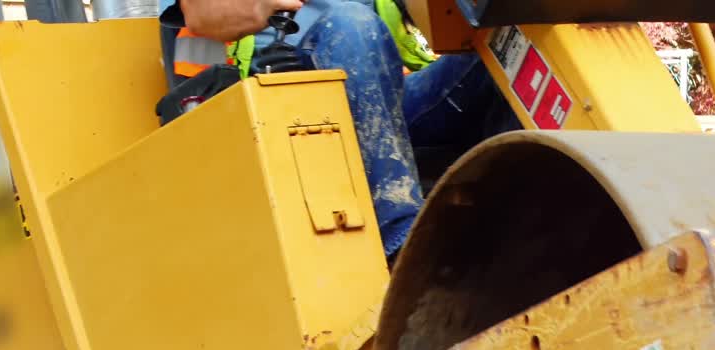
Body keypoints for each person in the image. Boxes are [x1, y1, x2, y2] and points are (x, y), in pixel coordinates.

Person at [157, 0, 519, 257]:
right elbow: (202, 13)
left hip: (388, 107)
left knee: (513, 28)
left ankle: (523, 223)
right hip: (282, 115)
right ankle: (405, 245)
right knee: (349, 23)